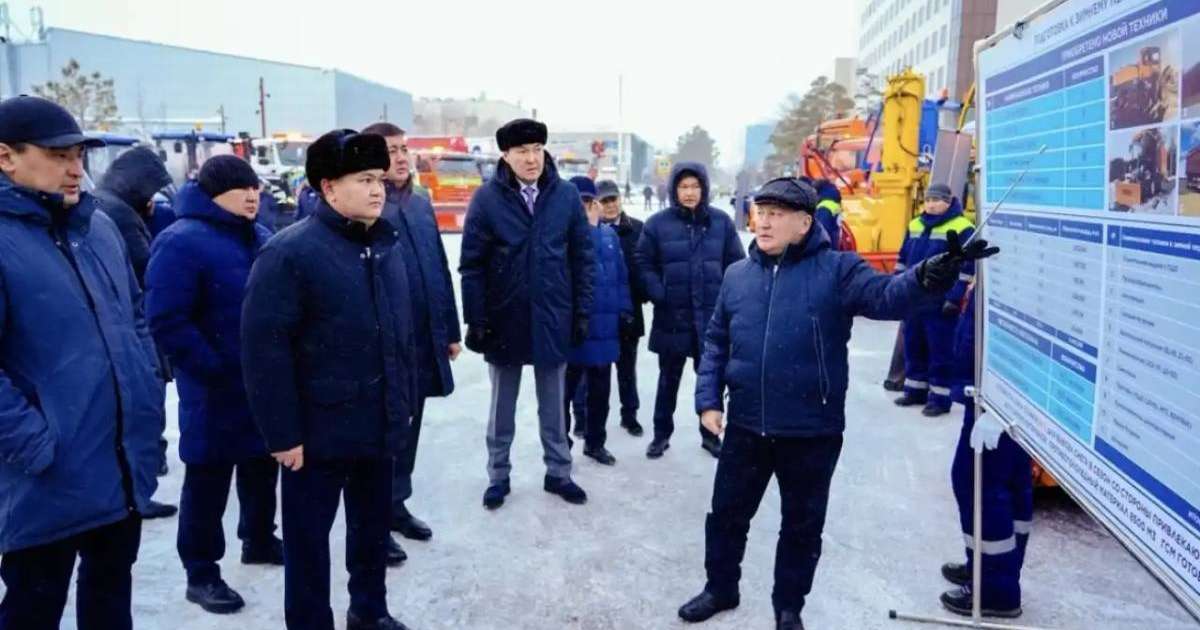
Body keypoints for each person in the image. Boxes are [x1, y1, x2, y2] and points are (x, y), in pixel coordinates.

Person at [678, 177, 998, 629]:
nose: (763, 222)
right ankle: (720, 588)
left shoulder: (838, 270)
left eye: (776, 214)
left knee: (801, 528)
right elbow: (716, 341)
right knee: (726, 516)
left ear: (805, 223)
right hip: (747, 425)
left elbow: (888, 297)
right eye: (760, 212)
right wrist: (708, 399)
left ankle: (789, 607)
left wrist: (930, 276)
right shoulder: (738, 276)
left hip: (812, 429)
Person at [0, 96, 165, 630]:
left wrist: (145, 405)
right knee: (33, 607)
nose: (76, 169)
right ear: (6, 157)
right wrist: (36, 443)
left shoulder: (98, 229)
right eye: (57, 155)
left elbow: (136, 318)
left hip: (117, 465)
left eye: (78, 155)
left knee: (111, 601)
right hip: (46, 476)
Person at [241, 129, 416, 630]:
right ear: (328, 187)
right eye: (364, 179)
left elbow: (396, 334)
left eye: (380, 178)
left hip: (375, 423)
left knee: (370, 531)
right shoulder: (289, 253)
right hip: (314, 437)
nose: (378, 189)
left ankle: (369, 611)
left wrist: (399, 405)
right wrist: (282, 434)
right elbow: (263, 350)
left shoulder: (384, 244)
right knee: (308, 544)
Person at [145, 155, 284, 615]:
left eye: (255, 189)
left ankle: (259, 539)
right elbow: (166, 319)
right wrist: (212, 366)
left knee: (262, 465)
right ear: (212, 194)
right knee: (208, 478)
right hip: (214, 387)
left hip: (261, 383)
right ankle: (201, 572)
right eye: (240, 189)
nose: (251, 196)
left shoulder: (260, 237)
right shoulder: (180, 242)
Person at [459, 118, 594, 510]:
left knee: (554, 405)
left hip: (554, 316)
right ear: (505, 155)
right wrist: (477, 318)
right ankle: (498, 475)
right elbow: (472, 264)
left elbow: (582, 258)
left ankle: (559, 472)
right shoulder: (487, 198)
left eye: (536, 149)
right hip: (505, 317)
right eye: (522, 151)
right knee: (502, 406)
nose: (531, 158)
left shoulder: (565, 195)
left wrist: (581, 311)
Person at [361, 122, 461, 559]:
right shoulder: (365, 209)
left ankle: (396, 505)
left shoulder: (420, 206)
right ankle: (374, 522)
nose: (400, 158)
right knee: (382, 435)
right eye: (389, 150)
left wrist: (451, 331)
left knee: (410, 429)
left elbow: (438, 268)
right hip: (383, 346)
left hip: (422, 340)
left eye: (403, 149)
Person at [94, 147, 181, 518]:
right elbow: (148, 266)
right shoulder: (120, 214)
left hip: (121, 327)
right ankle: (140, 493)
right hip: (135, 327)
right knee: (147, 406)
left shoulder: (103, 203)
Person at [635, 162, 744, 460]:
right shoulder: (657, 224)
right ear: (674, 190)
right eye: (683, 187)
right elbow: (643, 263)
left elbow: (737, 264)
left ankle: (710, 435)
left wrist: (727, 300)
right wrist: (659, 292)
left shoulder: (720, 223)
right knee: (667, 380)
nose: (690, 192)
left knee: (712, 380)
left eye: (695, 186)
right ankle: (661, 435)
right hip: (673, 315)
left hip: (711, 318)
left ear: (704, 189)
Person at [940, 286, 1032, 619]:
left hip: (999, 393)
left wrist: (1002, 403)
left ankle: (995, 590)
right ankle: (995, 570)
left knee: (978, 485)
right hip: (988, 387)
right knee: (1006, 483)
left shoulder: (1023, 247)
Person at [563, 176, 632, 465]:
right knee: (564, 393)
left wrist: (625, 309)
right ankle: (560, 444)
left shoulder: (609, 235)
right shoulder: (565, 235)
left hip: (605, 328)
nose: (587, 207)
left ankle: (595, 442)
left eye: (590, 202)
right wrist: (589, 229)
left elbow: (620, 277)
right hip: (575, 328)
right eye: (581, 203)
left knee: (600, 392)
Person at [893, 183, 975, 417]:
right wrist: (895, 287)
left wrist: (955, 296)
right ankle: (915, 390)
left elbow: (966, 266)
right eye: (928, 200)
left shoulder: (962, 228)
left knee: (940, 350)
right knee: (913, 344)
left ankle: (940, 398)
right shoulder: (915, 224)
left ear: (949, 202)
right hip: (915, 298)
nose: (931, 204)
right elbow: (903, 258)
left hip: (941, 301)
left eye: (937, 200)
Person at [597, 178, 646, 436]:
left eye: (613, 199)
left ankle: (630, 415)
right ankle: (587, 420)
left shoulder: (638, 229)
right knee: (596, 373)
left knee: (627, 369)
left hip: (629, 312)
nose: (610, 205)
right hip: (599, 315)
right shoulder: (588, 231)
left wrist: (645, 290)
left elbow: (648, 266)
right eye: (604, 201)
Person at [813, 178, 842, 249]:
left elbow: (821, 232)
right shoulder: (834, 202)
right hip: (834, 244)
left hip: (826, 249)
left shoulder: (824, 207)